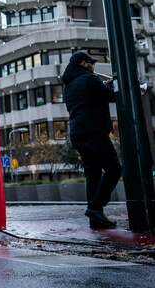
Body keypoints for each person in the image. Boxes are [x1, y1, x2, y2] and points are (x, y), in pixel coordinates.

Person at [61, 52, 121, 229]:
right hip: (94, 131)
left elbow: (90, 98)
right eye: (91, 62)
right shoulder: (89, 79)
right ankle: (95, 208)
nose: (93, 66)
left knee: (93, 174)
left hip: (78, 134)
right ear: (83, 63)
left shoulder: (70, 85)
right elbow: (110, 96)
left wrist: (103, 86)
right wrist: (112, 86)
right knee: (114, 169)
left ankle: (96, 220)